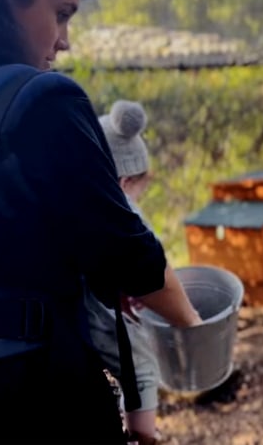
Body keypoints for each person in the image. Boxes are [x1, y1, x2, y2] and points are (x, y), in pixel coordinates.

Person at [0, 0, 201, 444]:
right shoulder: (41, 103)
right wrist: (195, 326)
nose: (65, 39)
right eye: (61, 13)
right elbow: (132, 259)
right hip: (29, 399)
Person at [84, 99, 163, 444]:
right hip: (87, 308)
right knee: (141, 365)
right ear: (126, 178)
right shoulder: (120, 208)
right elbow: (148, 267)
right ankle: (143, 434)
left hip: (82, 297)